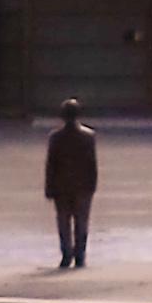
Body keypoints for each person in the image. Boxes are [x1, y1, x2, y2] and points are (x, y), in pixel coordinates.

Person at [44, 99, 100, 270]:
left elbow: (51, 165)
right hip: (83, 186)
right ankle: (80, 255)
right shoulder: (88, 136)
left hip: (61, 186)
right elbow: (92, 164)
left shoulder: (55, 137)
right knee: (81, 222)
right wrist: (92, 185)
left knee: (63, 222)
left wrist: (49, 187)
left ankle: (67, 254)